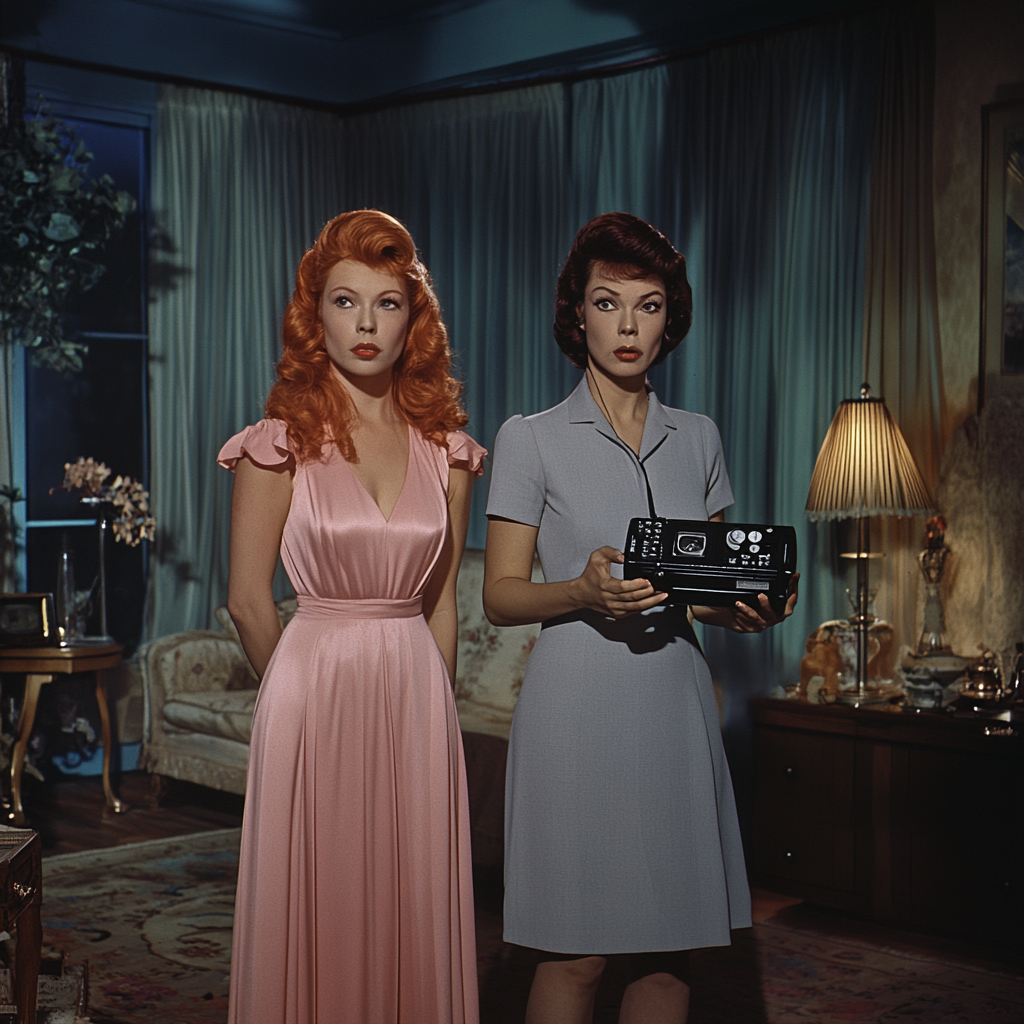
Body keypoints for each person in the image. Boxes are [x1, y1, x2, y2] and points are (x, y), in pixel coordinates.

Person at [483, 212, 798, 1024]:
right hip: (574, 710)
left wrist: (753, 609)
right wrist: (581, 593)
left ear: (670, 319)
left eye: (648, 305)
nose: (627, 325)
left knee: (667, 952)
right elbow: (501, 594)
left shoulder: (699, 438)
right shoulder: (531, 439)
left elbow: (710, 592)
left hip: (675, 706)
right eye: (607, 302)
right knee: (576, 951)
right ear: (576, 314)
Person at [218, 210, 484, 1024]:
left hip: (416, 695)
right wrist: (298, 697)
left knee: (412, 895)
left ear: (415, 320)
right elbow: (248, 600)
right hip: (310, 691)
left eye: (387, 304)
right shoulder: (278, 443)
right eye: (344, 301)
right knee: (321, 892)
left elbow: (441, 597)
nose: (366, 324)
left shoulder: (450, 450)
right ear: (314, 315)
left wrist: (433, 702)